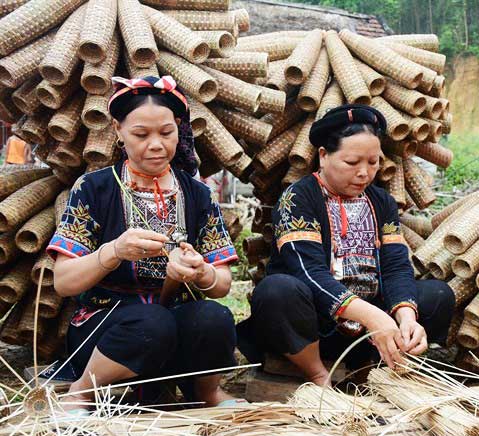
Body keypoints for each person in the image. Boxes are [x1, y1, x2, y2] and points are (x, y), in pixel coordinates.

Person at [48, 76, 241, 412]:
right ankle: (80, 393)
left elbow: (223, 284)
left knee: (214, 317)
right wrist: (113, 252)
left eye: (166, 133)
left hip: (173, 321)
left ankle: (207, 393)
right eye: (141, 134)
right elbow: (63, 282)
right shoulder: (95, 188)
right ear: (118, 131)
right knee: (151, 321)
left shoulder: (197, 194)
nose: (156, 144)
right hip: (109, 326)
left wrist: (201, 272)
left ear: (179, 129)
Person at [237, 105, 456, 386]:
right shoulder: (298, 198)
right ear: (324, 156)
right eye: (352, 163)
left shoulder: (382, 202)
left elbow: (395, 265)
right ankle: (317, 374)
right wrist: (374, 316)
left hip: (369, 330)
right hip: (314, 327)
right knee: (278, 290)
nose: (364, 173)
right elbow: (307, 272)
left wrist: (406, 317)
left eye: (373, 162)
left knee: (437, 294)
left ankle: (372, 370)